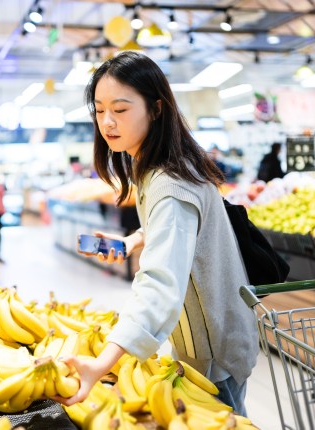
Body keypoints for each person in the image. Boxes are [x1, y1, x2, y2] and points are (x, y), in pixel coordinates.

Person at [55, 51, 258, 415]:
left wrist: (103, 363)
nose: (107, 122)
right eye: (99, 110)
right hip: (208, 337)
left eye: (120, 109)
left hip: (215, 354)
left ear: (156, 108)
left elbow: (160, 283)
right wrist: (134, 240)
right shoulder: (157, 165)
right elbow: (173, 228)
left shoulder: (168, 181)